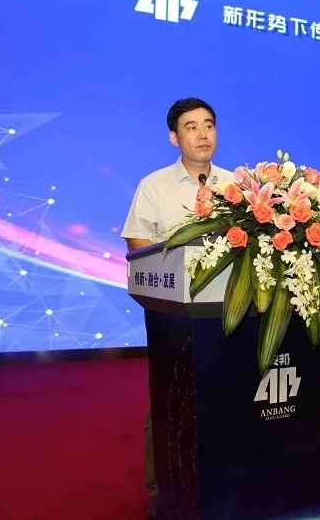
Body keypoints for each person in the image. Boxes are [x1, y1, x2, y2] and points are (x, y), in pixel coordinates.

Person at [121, 97, 231, 519]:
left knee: (224, 399)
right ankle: (161, 490)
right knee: (170, 401)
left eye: (209, 125)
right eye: (191, 127)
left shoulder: (237, 187)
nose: (203, 134)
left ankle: (220, 481)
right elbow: (138, 247)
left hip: (226, 314)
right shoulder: (154, 186)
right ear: (174, 137)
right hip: (174, 318)